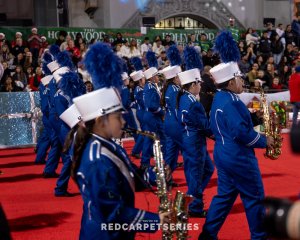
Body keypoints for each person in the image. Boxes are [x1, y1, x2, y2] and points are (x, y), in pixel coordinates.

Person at [71, 42, 171, 239]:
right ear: (101, 121)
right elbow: (113, 213)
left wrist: (152, 175)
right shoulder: (97, 158)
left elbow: (126, 175)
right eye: (118, 117)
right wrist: (155, 220)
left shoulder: (107, 146)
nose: (123, 121)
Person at [199, 62, 274, 240]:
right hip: (238, 157)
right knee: (254, 198)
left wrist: (256, 117)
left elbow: (234, 124)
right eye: (239, 78)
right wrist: (265, 141)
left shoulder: (220, 97)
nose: (242, 81)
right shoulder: (232, 102)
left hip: (223, 153)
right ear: (231, 82)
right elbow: (241, 133)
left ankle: (208, 235)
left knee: (224, 197)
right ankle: (259, 236)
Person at [177, 68, 214, 218]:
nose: (201, 86)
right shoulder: (193, 103)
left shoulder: (185, 98)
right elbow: (204, 126)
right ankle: (194, 205)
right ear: (193, 84)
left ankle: (191, 197)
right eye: (199, 83)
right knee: (196, 175)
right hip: (195, 142)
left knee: (206, 170)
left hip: (189, 139)